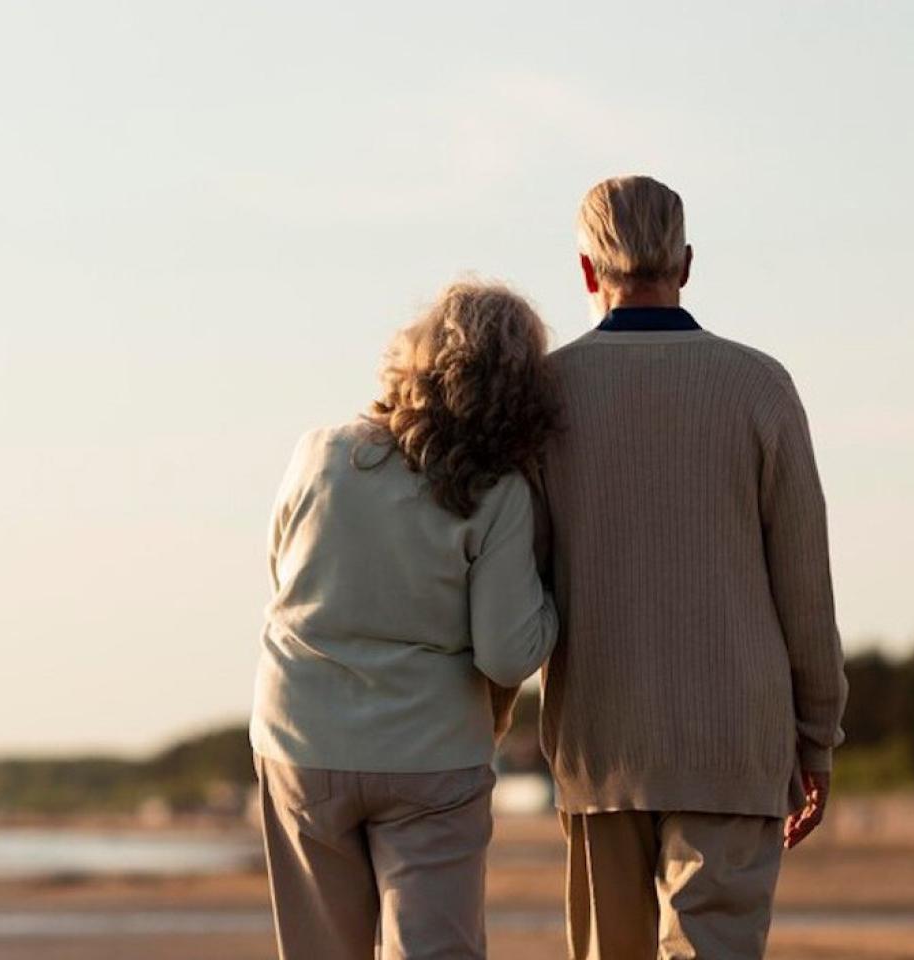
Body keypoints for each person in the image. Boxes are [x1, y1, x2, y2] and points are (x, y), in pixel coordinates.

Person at [540, 175, 849, 960]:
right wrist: (817, 736)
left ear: (585, 271)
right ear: (686, 260)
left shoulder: (545, 394)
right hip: (735, 739)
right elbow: (805, 588)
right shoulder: (759, 385)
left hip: (601, 741)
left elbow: (523, 581)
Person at [250, 281, 561, 959]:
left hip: (302, 739)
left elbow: (283, 575)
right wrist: (554, 602)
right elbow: (508, 656)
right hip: (431, 755)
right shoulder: (498, 491)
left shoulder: (319, 452)